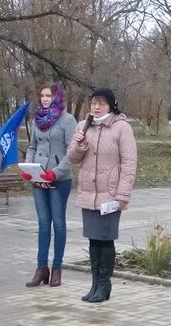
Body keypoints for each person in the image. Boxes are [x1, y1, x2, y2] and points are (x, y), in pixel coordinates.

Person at [66, 88, 137, 303]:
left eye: (102, 103)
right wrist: (80, 144)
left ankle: (104, 285)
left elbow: (129, 162)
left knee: (105, 239)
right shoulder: (83, 126)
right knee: (93, 240)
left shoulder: (121, 128)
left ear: (111, 106)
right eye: (94, 103)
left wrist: (122, 195)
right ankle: (95, 283)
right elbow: (71, 157)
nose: (96, 107)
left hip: (110, 195)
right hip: (89, 194)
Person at [22, 83, 77, 287]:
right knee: (43, 223)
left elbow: (71, 153)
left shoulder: (67, 120)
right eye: (43, 95)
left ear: (57, 97)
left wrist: (55, 172)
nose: (45, 99)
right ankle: (41, 268)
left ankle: (57, 268)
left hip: (58, 179)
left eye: (49, 95)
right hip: (39, 178)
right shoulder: (38, 119)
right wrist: (29, 167)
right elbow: (33, 146)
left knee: (58, 223)